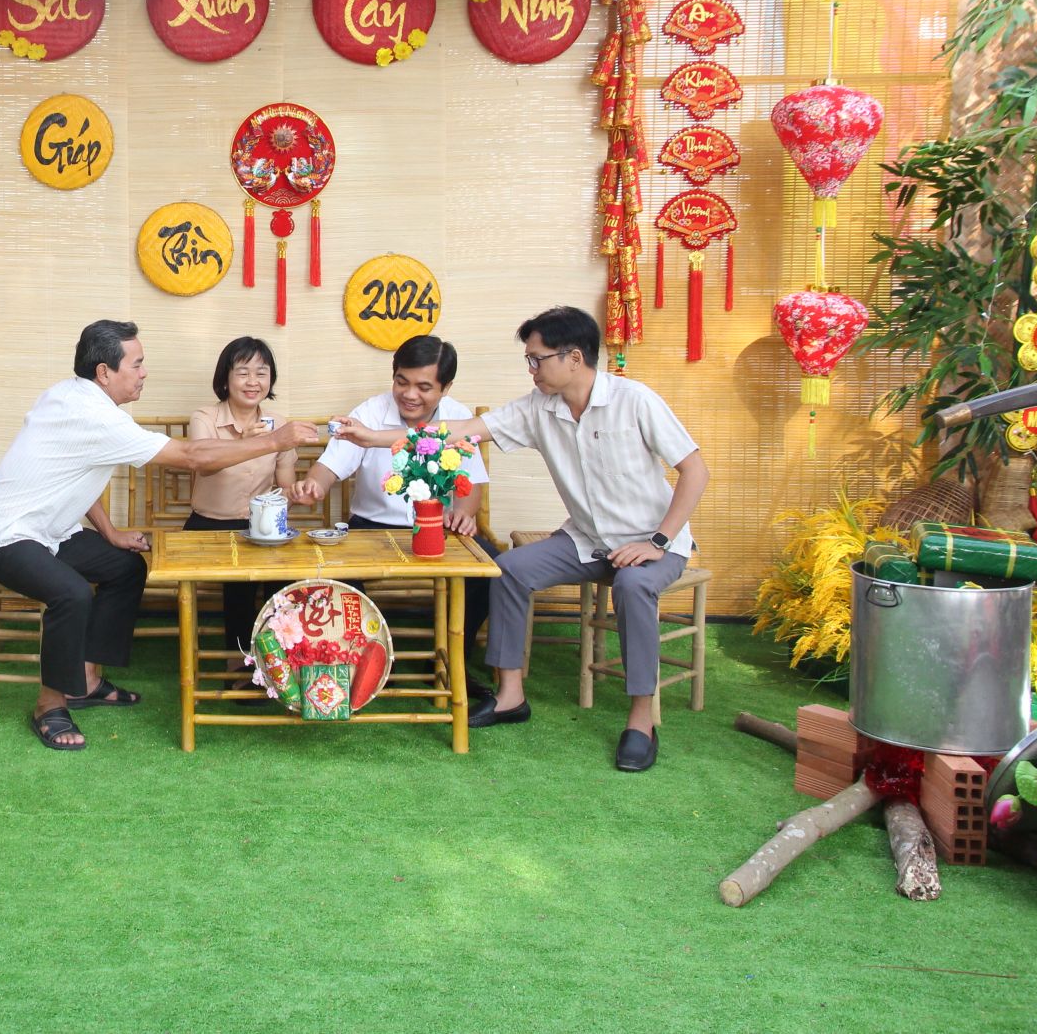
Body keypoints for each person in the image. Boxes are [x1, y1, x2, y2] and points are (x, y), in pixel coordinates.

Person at [331, 306, 708, 772]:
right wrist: (370, 437)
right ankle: (511, 696)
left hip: (654, 543)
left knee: (632, 586)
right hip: (587, 540)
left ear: (573, 358)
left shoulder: (635, 401)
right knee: (506, 569)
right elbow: (456, 432)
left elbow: (695, 471)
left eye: (537, 359)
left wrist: (658, 540)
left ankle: (640, 721)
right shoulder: (537, 408)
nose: (531, 368)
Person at [0, 320, 317, 751]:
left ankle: (87, 681)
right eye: (137, 364)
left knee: (126, 566)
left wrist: (109, 533)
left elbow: (74, 474)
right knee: (71, 593)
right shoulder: (92, 414)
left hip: (51, 532)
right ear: (104, 372)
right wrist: (275, 441)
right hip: (2, 536)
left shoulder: (73, 397)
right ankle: (49, 704)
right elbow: (192, 456)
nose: (145, 372)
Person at [291, 334, 496, 691]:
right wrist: (314, 485)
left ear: (446, 387)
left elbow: (472, 482)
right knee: (334, 574)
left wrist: (464, 513)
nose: (409, 394)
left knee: (489, 571)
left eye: (423, 387)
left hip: (438, 529)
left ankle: (453, 662)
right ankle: (369, 662)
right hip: (370, 527)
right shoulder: (369, 413)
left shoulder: (460, 419)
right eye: (402, 381)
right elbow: (330, 465)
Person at [183, 336, 299, 674]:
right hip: (208, 525)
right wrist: (247, 443)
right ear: (225, 378)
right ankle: (239, 667)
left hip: (258, 525)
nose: (253, 382)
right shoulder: (204, 417)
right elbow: (205, 465)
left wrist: (300, 492)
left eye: (261, 373)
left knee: (285, 575)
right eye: (243, 372)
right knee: (240, 581)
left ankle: (279, 662)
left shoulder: (279, 424)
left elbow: (285, 486)